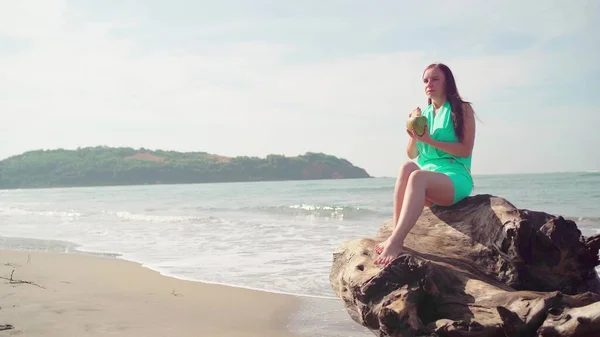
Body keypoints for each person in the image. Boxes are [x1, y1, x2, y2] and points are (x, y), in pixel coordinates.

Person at [374, 63, 476, 266]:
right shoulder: (425, 114)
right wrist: (413, 131)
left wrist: (428, 139)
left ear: (447, 82)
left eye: (435, 79)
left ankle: (396, 241)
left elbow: (465, 150)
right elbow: (412, 154)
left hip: (454, 177)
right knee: (406, 167)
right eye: (426, 80)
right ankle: (396, 232)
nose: (429, 84)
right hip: (426, 180)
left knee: (417, 176)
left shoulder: (462, 109)